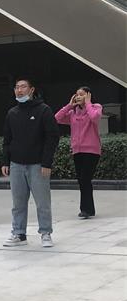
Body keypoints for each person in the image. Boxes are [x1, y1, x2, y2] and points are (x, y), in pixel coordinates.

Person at [2, 78, 59, 248]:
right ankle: (19, 234)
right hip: (16, 165)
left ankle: (46, 233)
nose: (19, 90)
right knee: (18, 203)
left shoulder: (43, 110)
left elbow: (52, 137)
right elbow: (7, 139)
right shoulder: (12, 113)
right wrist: (5, 161)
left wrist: (46, 163)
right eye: (17, 87)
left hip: (37, 165)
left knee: (42, 202)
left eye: (23, 87)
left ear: (32, 89)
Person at [55, 86, 103, 219]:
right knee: (82, 180)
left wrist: (88, 103)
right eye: (76, 94)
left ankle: (86, 209)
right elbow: (57, 118)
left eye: (81, 94)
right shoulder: (73, 113)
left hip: (92, 150)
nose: (78, 97)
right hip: (77, 151)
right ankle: (89, 209)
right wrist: (69, 106)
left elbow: (94, 117)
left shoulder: (96, 107)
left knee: (85, 179)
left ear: (88, 95)